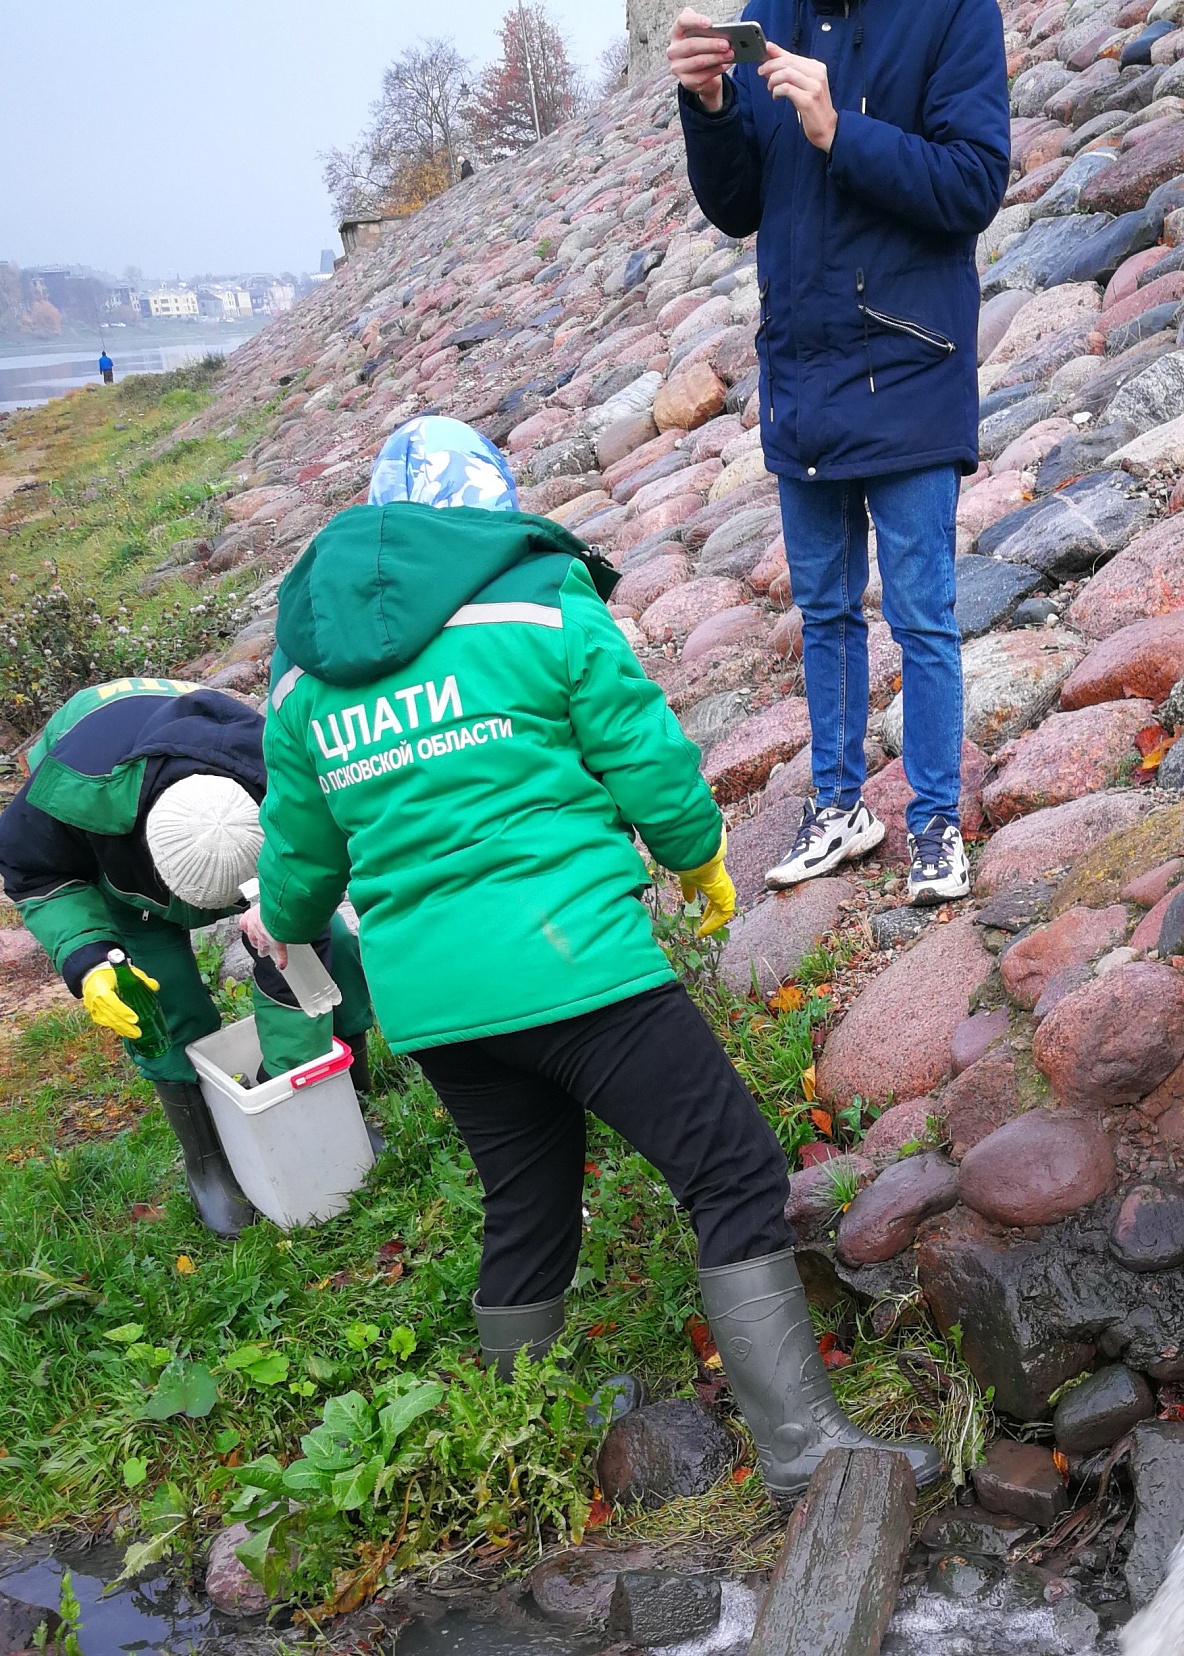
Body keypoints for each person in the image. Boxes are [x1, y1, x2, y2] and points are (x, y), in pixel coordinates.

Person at [253, 416, 940, 1499]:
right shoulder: (535, 599)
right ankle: (808, 1460)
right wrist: (702, 861)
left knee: (526, 1202)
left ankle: (524, 1448)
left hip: (433, 1004)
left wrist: (280, 923)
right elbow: (647, 759)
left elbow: (298, 864)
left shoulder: (302, 678)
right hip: (573, 964)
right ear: (484, 507)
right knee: (734, 1171)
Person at [670, 0, 1010, 905]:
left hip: (910, 364)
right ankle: (840, 808)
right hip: (803, 377)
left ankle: (936, 823)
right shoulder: (770, 12)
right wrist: (708, 108)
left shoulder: (953, 11)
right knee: (823, 613)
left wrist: (839, 130)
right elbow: (736, 205)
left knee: (922, 614)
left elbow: (974, 184)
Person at [0, 678, 376, 1236]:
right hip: (122, 854)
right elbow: (36, 876)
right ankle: (208, 1161)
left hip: (231, 820)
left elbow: (309, 909)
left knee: (331, 953)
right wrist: (88, 959)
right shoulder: (65, 799)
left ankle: (350, 1095)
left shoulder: (276, 767)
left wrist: (283, 1075)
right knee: (162, 999)